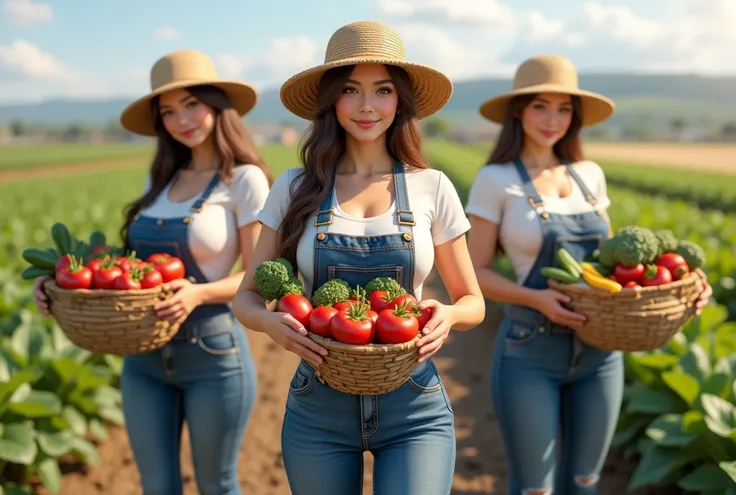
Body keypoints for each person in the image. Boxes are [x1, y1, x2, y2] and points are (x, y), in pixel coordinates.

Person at [232, 20, 485, 495]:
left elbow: (474, 300)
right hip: (318, 405)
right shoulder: (293, 186)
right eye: (351, 90)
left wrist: (449, 315)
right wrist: (268, 324)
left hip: (414, 404)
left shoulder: (432, 187)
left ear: (399, 101)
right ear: (332, 100)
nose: (367, 106)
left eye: (382, 90)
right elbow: (246, 297)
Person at [465, 54, 713, 495]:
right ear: (518, 111)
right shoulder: (495, 179)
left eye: (564, 109)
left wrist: (681, 289)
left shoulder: (589, 175)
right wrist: (536, 299)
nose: (553, 119)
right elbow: (475, 273)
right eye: (541, 106)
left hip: (601, 352)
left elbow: (616, 268)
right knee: (534, 489)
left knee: (585, 481)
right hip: (530, 350)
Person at [33, 49, 272, 495]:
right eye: (168, 111)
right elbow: (129, 270)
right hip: (142, 358)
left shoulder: (243, 179)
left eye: (191, 104)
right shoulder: (160, 178)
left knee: (216, 485)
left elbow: (257, 277)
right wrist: (59, 284)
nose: (181, 118)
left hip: (213, 355)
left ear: (216, 105)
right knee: (157, 487)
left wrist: (198, 294)